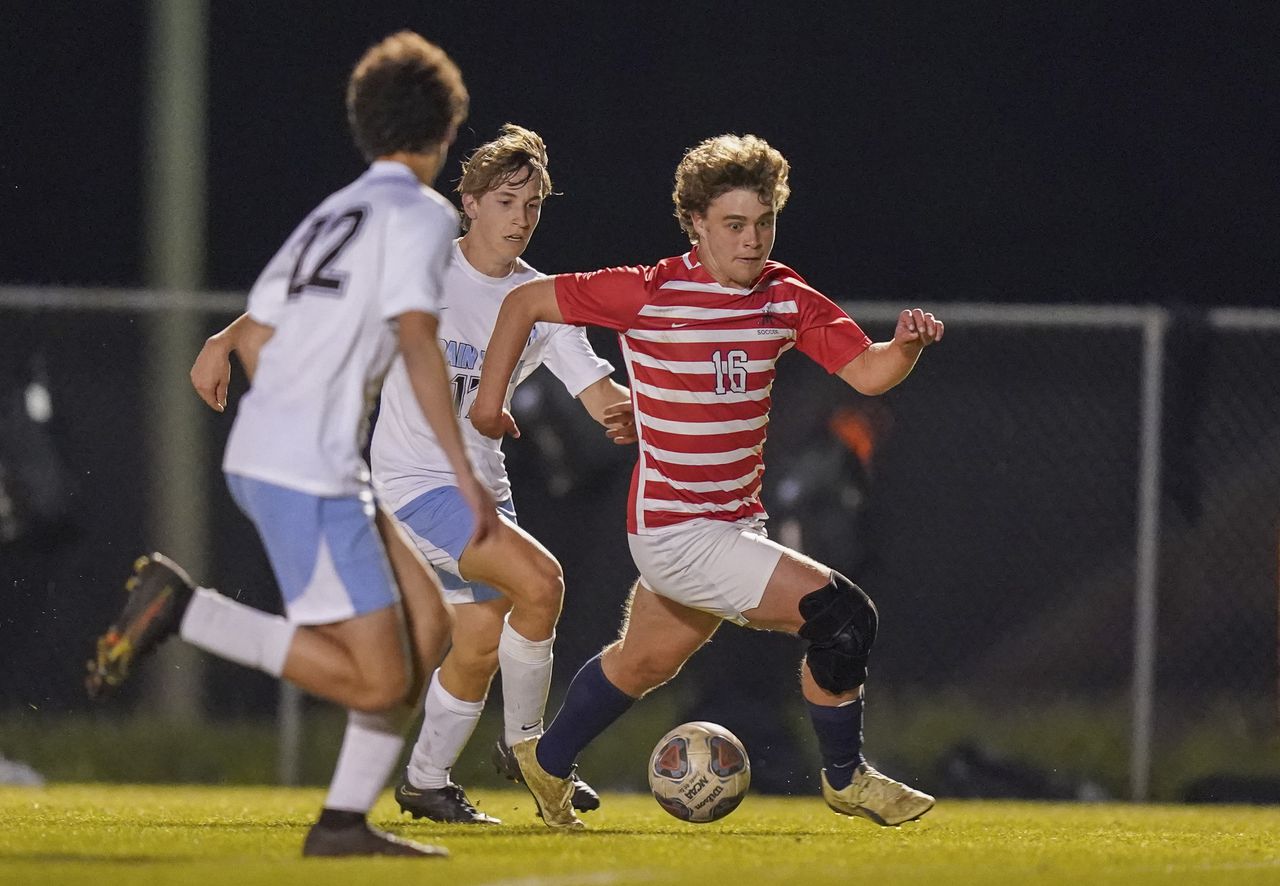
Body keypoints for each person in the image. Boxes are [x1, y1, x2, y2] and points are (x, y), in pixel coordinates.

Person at [86, 31, 493, 858]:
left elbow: (263, 332)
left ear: (365, 125)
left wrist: (258, 366)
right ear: (447, 130)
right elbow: (418, 338)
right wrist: (466, 473)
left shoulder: (334, 210)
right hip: (307, 468)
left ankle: (343, 821)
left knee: (428, 628)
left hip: (295, 453)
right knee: (380, 675)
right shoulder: (420, 213)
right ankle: (186, 611)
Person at [470, 134, 944, 830]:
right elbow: (523, 304)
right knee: (842, 619)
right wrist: (490, 400)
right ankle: (847, 779)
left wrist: (903, 349)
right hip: (674, 531)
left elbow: (868, 371)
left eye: (763, 223)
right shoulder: (649, 291)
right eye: (733, 224)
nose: (751, 241)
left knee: (641, 662)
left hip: (729, 524)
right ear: (695, 223)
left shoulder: (784, 296)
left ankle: (546, 759)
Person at [192, 124, 634, 825]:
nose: (519, 218)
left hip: (482, 491)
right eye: (505, 200)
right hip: (413, 484)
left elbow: (599, 395)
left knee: (482, 638)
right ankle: (533, 753)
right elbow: (318, 296)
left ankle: (426, 781)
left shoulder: (539, 301)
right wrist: (228, 336)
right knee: (542, 583)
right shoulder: (426, 270)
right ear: (470, 203)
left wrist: (634, 412)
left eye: (533, 205)